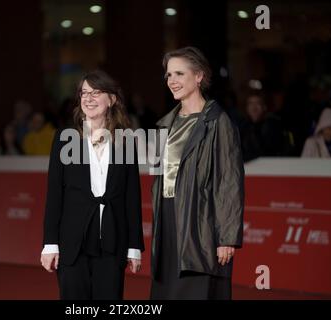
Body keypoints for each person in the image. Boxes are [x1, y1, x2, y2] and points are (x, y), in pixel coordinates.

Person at [40, 70, 144, 300]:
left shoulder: (125, 141)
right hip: (72, 243)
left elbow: (131, 198)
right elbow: (55, 195)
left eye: (96, 92)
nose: (88, 98)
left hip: (112, 242)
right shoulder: (65, 138)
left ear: (112, 99)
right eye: (84, 93)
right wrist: (50, 244)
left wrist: (134, 247)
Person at [150, 46, 244, 300]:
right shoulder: (164, 124)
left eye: (179, 74)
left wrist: (226, 237)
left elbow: (229, 182)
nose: (172, 81)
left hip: (200, 224)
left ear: (199, 76)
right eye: (169, 75)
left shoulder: (218, 122)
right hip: (168, 221)